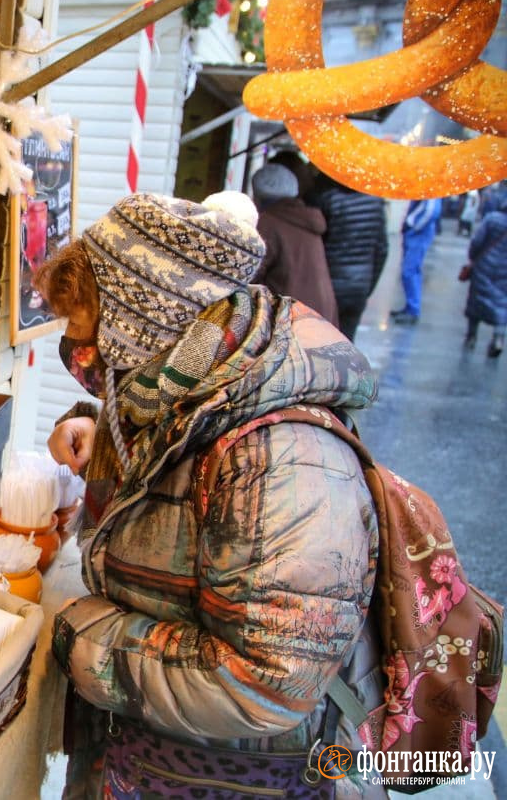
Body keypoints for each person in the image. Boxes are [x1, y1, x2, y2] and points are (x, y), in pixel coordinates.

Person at [36, 192, 382, 798]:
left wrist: (82, 639)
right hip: (143, 756)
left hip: (226, 780)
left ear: (149, 326)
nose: (79, 357)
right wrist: (104, 435)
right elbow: (176, 452)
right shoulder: (192, 385)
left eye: (89, 333)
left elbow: (266, 685)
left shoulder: (282, 460)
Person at [251, 163, 339, 326]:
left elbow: (252, 271)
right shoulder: (306, 218)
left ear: (257, 195)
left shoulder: (269, 223)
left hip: (292, 317)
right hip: (321, 313)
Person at [313, 173, 389, 342]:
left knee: (321, 341)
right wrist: (368, 286)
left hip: (330, 283)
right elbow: (382, 250)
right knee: (346, 341)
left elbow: (319, 246)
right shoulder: (375, 203)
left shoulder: (330, 200)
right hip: (359, 287)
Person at [462, 188, 507, 357]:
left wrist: (473, 257)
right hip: (505, 273)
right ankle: (498, 338)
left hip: (484, 267)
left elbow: (477, 241)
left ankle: (471, 336)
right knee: (502, 304)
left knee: (477, 302)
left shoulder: (492, 219)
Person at [391, 196, 443, 325]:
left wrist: (412, 224)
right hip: (417, 232)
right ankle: (410, 307)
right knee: (412, 271)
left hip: (418, 233)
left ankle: (412, 309)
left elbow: (431, 211)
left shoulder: (432, 185)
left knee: (409, 271)